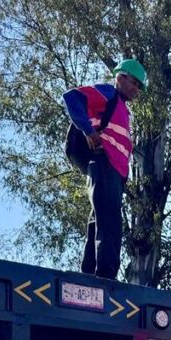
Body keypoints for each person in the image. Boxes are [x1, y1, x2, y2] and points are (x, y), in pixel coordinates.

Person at [63, 59, 146, 279]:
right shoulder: (109, 93)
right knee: (110, 222)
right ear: (120, 78)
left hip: (113, 173)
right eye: (134, 83)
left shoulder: (122, 109)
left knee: (98, 221)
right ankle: (107, 279)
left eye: (139, 86)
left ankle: (89, 275)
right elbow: (72, 97)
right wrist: (88, 131)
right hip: (104, 164)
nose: (136, 89)